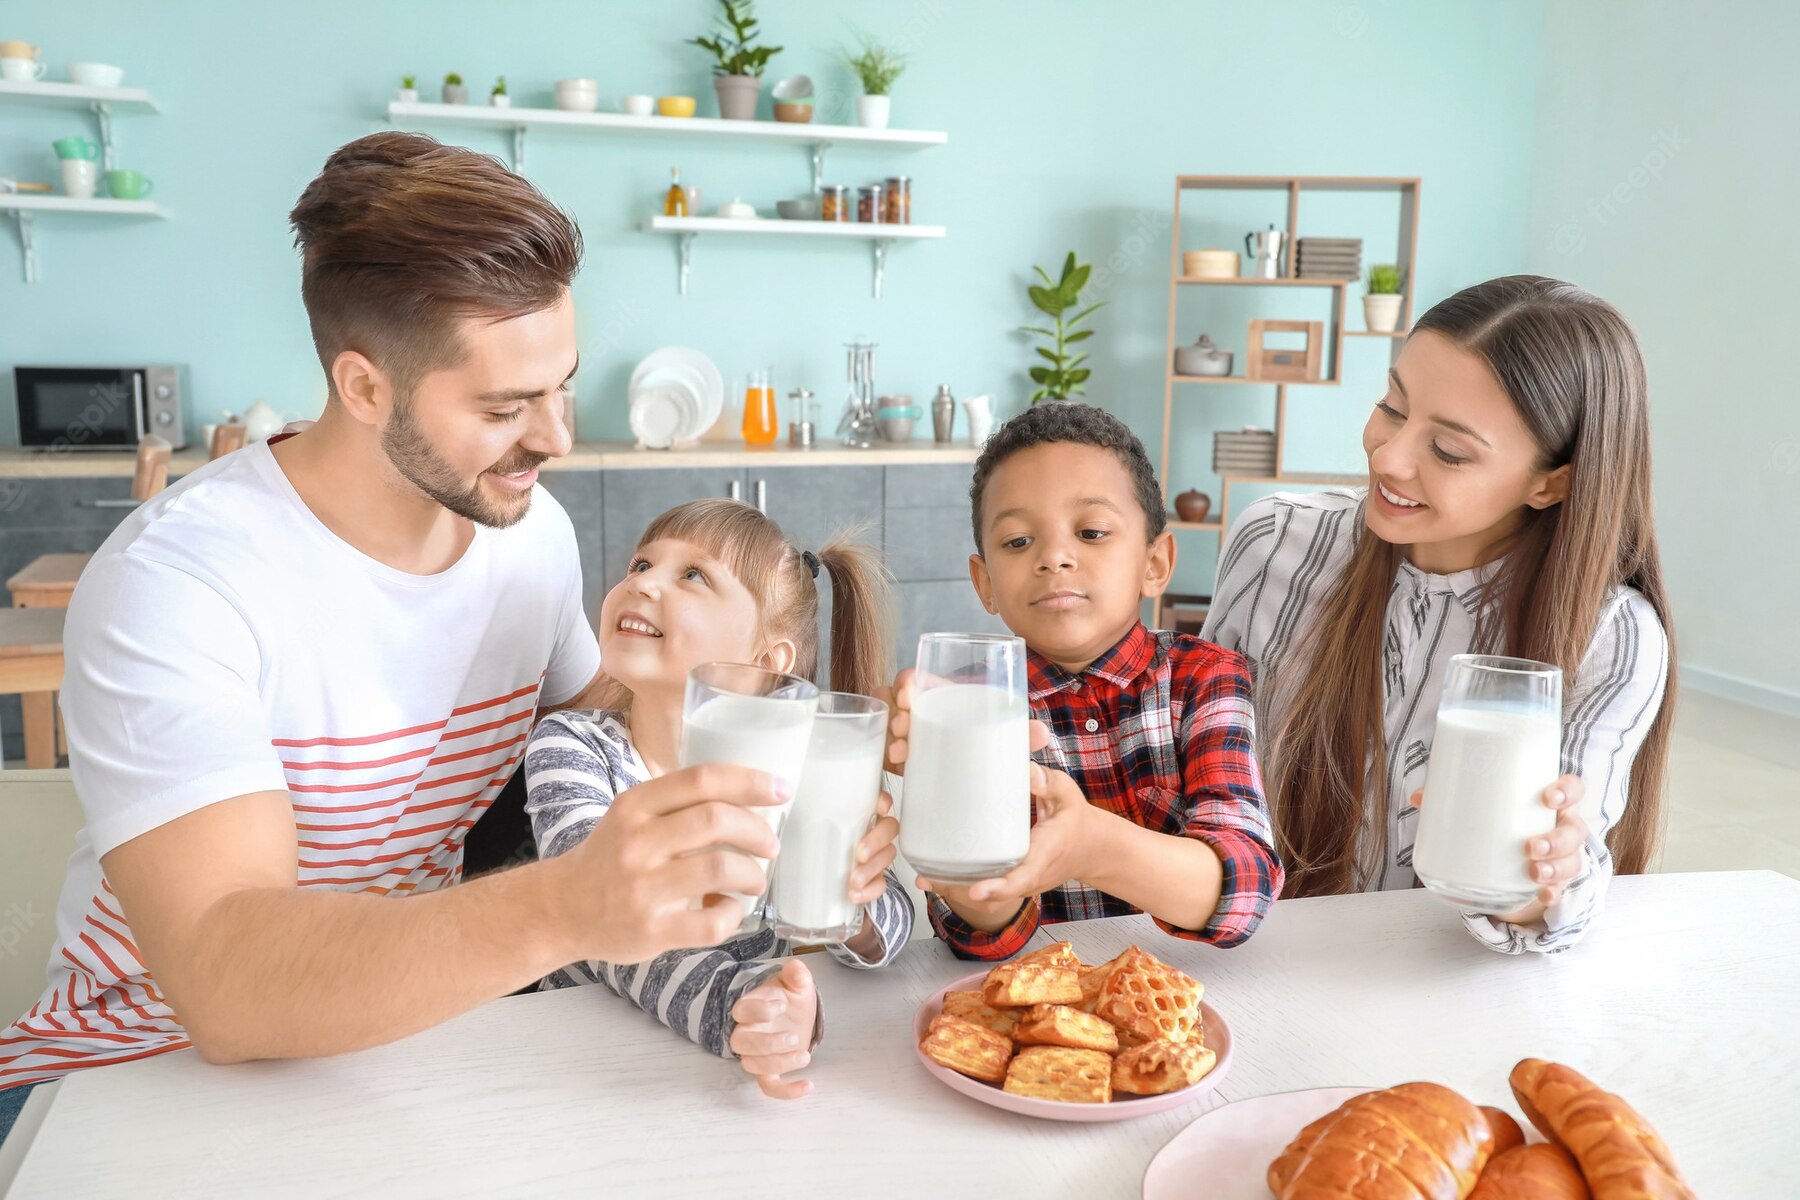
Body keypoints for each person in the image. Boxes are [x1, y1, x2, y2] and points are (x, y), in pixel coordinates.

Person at [0, 133, 786, 1132]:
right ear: (365, 388)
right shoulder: (179, 582)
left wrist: (807, 776)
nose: (555, 437)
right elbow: (226, 987)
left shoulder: (527, 531)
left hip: (413, 1048)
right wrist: (562, 906)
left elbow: (618, 740)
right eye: (506, 406)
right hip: (135, 1075)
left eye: (561, 385)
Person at [1203, 275, 1674, 953]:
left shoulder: (1610, 636)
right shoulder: (1276, 541)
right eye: (1391, 408)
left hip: (1445, 986)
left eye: (1449, 450)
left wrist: (1545, 879)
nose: (1387, 456)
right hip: (1251, 959)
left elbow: (1568, 889)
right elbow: (1193, 767)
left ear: (1552, 482)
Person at [524, 499, 912, 1098]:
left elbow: (893, 929)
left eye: (692, 575)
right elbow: (611, 924)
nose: (642, 583)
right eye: (640, 563)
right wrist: (740, 1004)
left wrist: (849, 898)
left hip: (696, 1081)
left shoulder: (799, 765)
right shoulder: (573, 748)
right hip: (567, 1065)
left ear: (765, 661)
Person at [895, 403, 1284, 960]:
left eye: (1092, 531)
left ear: (1154, 563)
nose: (1054, 557)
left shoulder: (1205, 678)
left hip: (1182, 1005)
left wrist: (1089, 847)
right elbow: (985, 935)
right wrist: (970, 883)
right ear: (985, 583)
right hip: (1035, 1012)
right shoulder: (970, 706)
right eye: (1017, 542)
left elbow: (1243, 893)